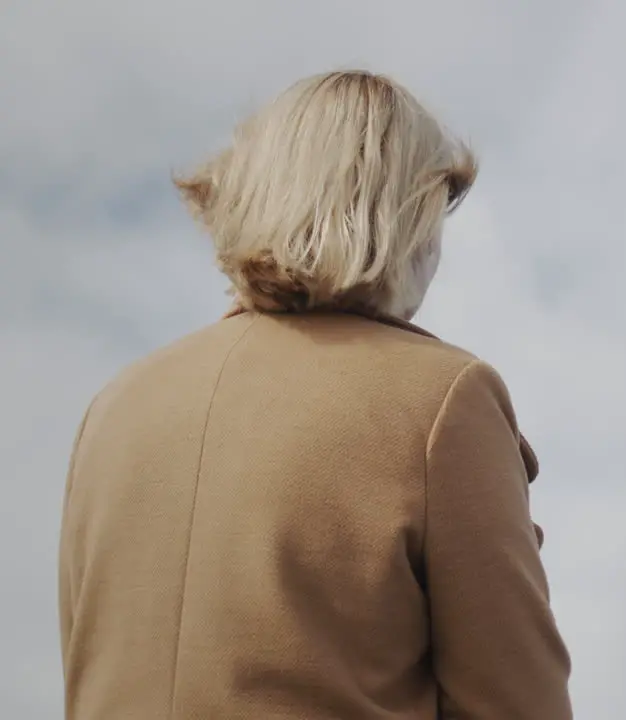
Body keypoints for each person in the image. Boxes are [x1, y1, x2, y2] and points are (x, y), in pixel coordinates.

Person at [57, 70, 573, 719]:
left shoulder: (116, 407)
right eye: (434, 212)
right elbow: (515, 703)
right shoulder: (443, 398)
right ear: (400, 217)